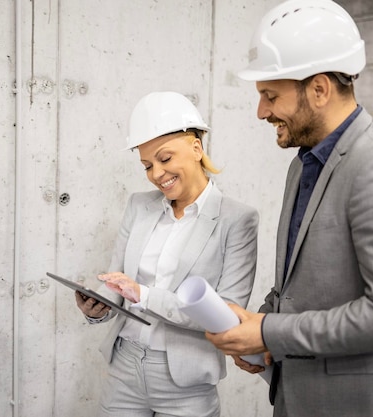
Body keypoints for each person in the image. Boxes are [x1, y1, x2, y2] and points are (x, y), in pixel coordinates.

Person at [205, 1, 373, 416]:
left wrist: (271, 333)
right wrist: (256, 328)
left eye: (270, 95)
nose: (261, 112)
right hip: (297, 396)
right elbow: (299, 287)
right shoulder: (304, 164)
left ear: (320, 89)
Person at [76, 91, 259, 417]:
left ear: (196, 148)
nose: (156, 173)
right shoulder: (139, 206)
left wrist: (143, 294)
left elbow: (226, 315)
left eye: (165, 158)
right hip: (124, 367)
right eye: (147, 165)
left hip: (186, 382)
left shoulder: (237, 219)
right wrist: (98, 306)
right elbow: (117, 282)